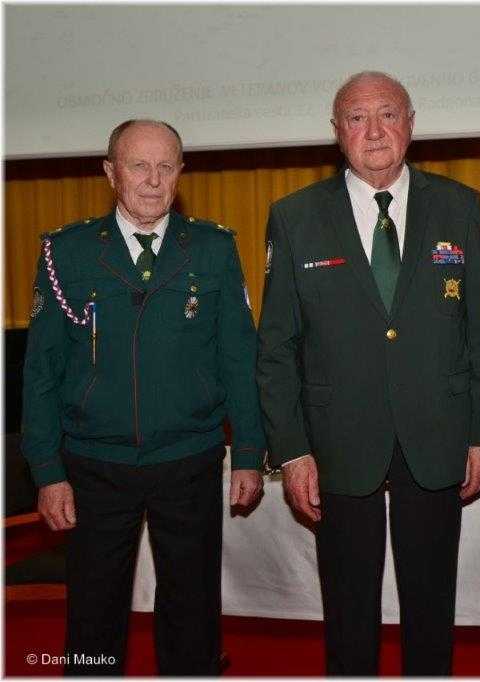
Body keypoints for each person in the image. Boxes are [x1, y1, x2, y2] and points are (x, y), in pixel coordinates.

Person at [256, 71, 480, 676]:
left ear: (410, 124)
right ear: (336, 131)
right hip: (337, 443)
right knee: (347, 612)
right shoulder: (294, 217)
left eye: (388, 114)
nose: (373, 131)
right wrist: (292, 450)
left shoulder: (459, 205)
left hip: (437, 435)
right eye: (357, 117)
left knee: (431, 608)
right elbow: (277, 347)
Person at [21, 119, 266, 675]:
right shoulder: (67, 252)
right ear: (111, 173)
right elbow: (40, 372)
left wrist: (249, 453)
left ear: (180, 173)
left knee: (193, 614)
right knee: (92, 616)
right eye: (139, 166)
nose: (153, 181)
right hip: (94, 466)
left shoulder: (213, 248)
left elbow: (238, 359)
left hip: (189, 459)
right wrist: (47, 471)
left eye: (165, 167)